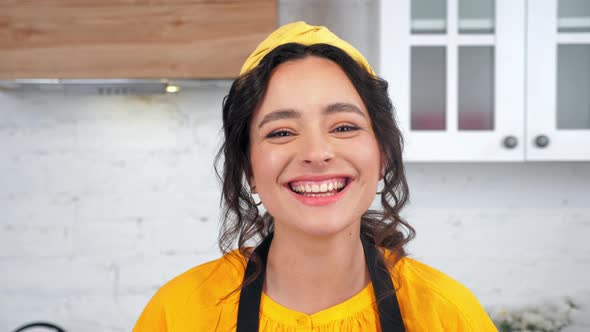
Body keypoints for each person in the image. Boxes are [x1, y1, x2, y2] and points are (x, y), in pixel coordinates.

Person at [133, 21, 498, 331]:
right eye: (281, 132)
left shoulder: (447, 314)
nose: (315, 153)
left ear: (382, 153)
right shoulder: (179, 312)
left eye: (343, 126)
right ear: (249, 169)